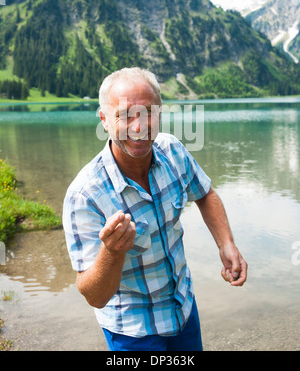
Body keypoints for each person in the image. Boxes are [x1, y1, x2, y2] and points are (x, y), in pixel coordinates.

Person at [63, 67, 247, 352]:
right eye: (125, 115)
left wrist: (226, 244)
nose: (139, 126)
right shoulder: (84, 195)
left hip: (183, 310)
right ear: (104, 120)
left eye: (148, 112)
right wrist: (112, 252)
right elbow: (94, 296)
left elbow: (205, 193)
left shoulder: (172, 150)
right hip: (133, 332)